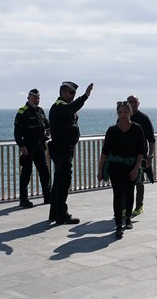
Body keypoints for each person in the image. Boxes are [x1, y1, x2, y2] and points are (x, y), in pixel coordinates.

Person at [97, 101, 145, 239]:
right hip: (115, 167)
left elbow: (140, 152)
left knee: (130, 192)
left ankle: (128, 218)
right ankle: (118, 224)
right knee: (118, 195)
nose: (123, 115)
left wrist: (136, 168)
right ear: (117, 113)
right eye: (120, 112)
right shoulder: (112, 130)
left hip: (131, 166)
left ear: (130, 112)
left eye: (125, 112)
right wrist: (100, 170)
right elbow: (104, 152)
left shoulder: (137, 129)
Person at [48, 81, 93, 225]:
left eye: (74, 93)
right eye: (71, 93)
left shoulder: (62, 108)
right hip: (62, 150)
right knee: (63, 182)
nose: (73, 96)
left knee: (58, 182)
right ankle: (62, 214)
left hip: (63, 149)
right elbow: (72, 107)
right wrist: (85, 96)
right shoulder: (59, 106)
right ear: (62, 92)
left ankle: (54, 213)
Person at [14, 88, 51, 208]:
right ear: (28, 98)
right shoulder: (22, 111)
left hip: (40, 146)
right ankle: (23, 199)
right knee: (26, 173)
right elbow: (17, 131)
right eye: (34, 97)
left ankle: (48, 196)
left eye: (38, 97)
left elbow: (47, 125)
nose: (37, 99)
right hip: (28, 147)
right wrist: (21, 145)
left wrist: (47, 134)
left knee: (44, 172)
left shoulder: (40, 111)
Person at [126, 95, 156, 215]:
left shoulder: (144, 118)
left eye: (134, 101)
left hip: (141, 154)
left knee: (139, 180)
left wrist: (150, 156)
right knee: (125, 180)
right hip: (125, 154)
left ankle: (139, 205)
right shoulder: (123, 117)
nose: (132, 104)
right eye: (130, 101)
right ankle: (124, 207)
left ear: (138, 103)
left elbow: (152, 139)